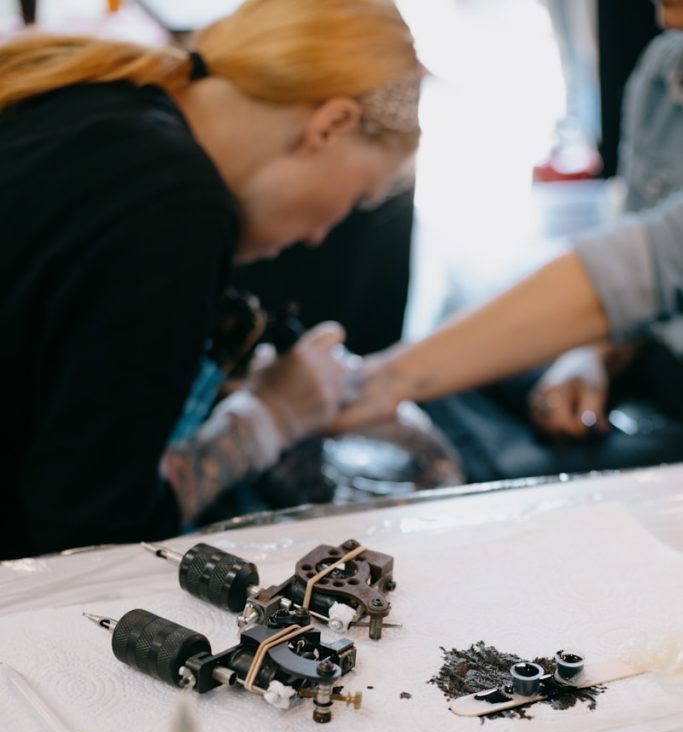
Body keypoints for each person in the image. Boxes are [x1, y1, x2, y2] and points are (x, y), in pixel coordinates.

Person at [0, 0, 420, 560]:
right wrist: (270, 418)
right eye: (357, 198)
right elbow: (89, 535)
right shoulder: (176, 208)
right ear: (330, 125)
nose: (322, 235)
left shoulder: (96, 94)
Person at [334, 0, 683, 467]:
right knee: (453, 376)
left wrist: (372, 384)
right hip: (659, 358)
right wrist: (595, 355)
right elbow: (647, 277)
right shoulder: (665, 70)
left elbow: (651, 263)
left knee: (514, 464)